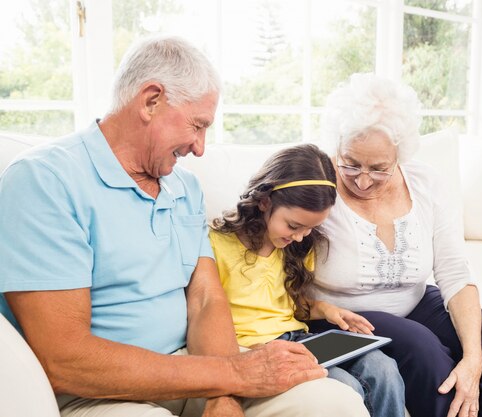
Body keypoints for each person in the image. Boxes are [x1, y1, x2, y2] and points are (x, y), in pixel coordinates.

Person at [0, 36, 370, 417]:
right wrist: (229, 374)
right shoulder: (45, 180)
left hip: (192, 367)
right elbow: (65, 360)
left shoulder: (184, 186)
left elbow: (206, 298)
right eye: (198, 125)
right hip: (97, 392)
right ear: (150, 100)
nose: (200, 148)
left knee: (336, 403)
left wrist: (223, 393)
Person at [307, 73, 482, 417]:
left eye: (379, 168)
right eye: (350, 163)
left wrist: (473, 360)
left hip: (414, 301)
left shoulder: (426, 183)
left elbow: (454, 270)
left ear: (400, 154)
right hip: (341, 317)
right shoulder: (316, 185)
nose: (363, 180)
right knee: (422, 348)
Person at [210, 143, 406, 417]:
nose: (301, 236)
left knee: (383, 367)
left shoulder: (297, 245)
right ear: (264, 201)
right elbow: (204, 315)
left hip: (299, 338)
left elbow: (292, 304)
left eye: (310, 228)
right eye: (293, 225)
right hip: (253, 348)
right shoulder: (216, 245)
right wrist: (244, 352)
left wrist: (327, 310)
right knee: (346, 387)